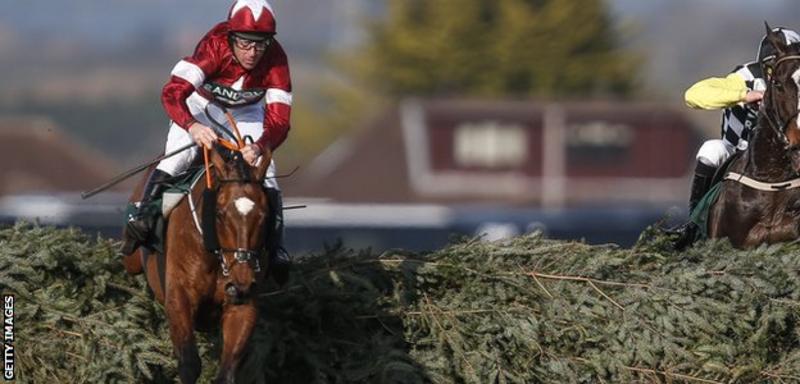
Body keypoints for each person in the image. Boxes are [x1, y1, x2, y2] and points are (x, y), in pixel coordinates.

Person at [121, 0, 292, 284]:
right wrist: (192, 125)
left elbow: (280, 120)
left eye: (260, 44)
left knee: (267, 171)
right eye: (246, 44)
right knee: (177, 159)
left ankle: (276, 249)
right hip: (200, 107)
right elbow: (172, 93)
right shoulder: (214, 46)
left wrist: (260, 145)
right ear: (231, 37)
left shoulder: (276, 59)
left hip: (247, 113)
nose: (253, 53)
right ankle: (142, 220)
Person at [674, 27, 800, 248]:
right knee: (711, 149)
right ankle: (693, 225)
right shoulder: (745, 76)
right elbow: (693, 95)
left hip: (788, 153)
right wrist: (743, 95)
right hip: (738, 149)